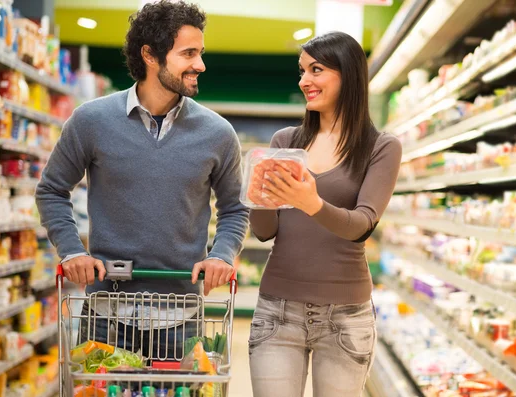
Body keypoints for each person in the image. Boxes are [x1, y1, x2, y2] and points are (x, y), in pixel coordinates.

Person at [35, 0, 248, 360]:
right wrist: (72, 249)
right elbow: (52, 190)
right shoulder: (91, 121)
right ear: (150, 55)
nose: (201, 64)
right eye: (189, 53)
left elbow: (235, 209)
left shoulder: (218, 133)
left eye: (200, 52)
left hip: (180, 318)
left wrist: (223, 255)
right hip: (105, 315)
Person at [248, 31, 402, 397]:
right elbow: (263, 232)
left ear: (347, 74)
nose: (304, 81)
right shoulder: (286, 143)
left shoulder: (381, 147)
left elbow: (362, 224)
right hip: (277, 312)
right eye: (301, 71)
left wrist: (310, 201)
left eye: (316, 70)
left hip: (345, 319)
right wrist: (259, 195)